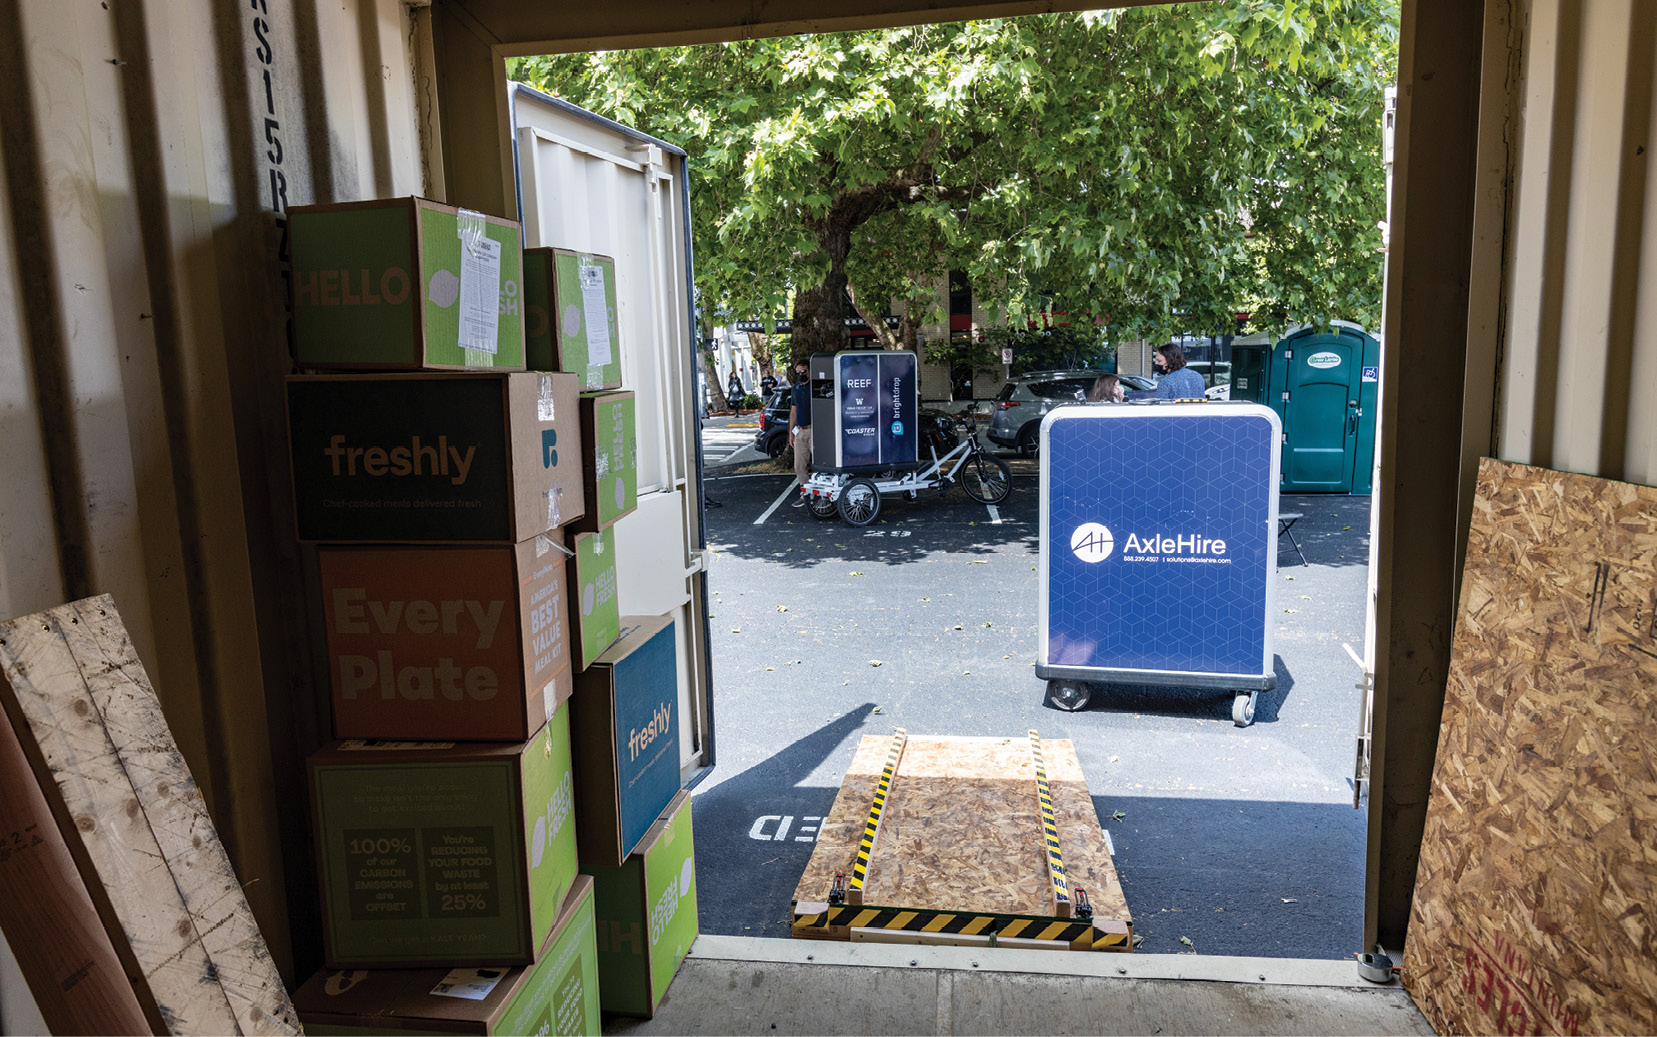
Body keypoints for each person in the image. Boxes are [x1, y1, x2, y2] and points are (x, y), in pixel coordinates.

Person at [788, 359, 813, 506]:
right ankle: (805, 493)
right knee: (799, 465)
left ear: (809, 371)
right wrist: (791, 433)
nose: (801, 375)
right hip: (800, 430)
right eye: (798, 372)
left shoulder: (815, 386)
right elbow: (793, 411)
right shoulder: (796, 388)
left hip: (814, 429)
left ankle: (824, 496)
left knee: (819, 464)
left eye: (804, 372)